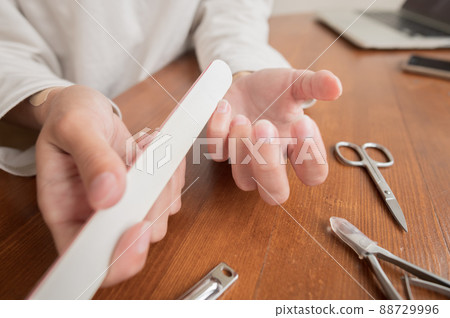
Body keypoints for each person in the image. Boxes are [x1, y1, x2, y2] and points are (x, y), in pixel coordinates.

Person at [0, 0, 342, 287]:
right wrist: (49, 100)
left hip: (171, 92)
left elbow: (234, 13)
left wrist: (244, 70)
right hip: (39, 152)